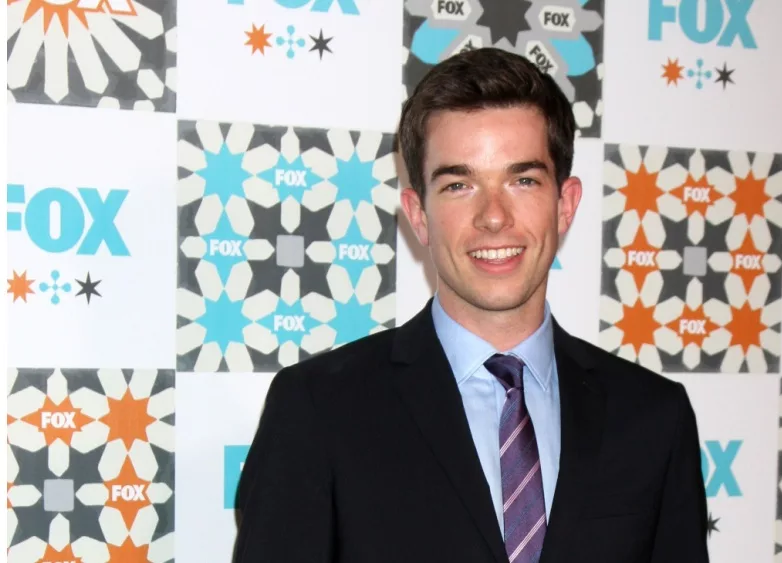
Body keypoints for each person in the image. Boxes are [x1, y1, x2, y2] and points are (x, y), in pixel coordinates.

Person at [232, 47, 709, 563]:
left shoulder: (653, 417)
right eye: (459, 185)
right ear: (418, 216)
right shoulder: (317, 410)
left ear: (565, 204)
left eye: (522, 180)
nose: (494, 217)